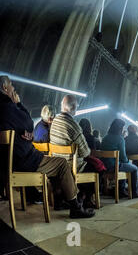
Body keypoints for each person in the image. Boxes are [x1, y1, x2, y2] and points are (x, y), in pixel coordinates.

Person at [0, 76, 94, 218]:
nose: (14, 88)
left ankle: (60, 199)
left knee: (54, 162)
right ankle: (75, 207)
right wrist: (18, 104)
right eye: (11, 85)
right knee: (61, 164)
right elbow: (28, 123)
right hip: (24, 160)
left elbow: (20, 128)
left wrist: (26, 134)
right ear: (5, 88)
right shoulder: (7, 105)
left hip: (9, 161)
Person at [50, 96, 96, 208]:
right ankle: (85, 200)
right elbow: (85, 152)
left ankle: (69, 197)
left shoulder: (54, 121)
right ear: (74, 107)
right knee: (96, 168)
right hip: (71, 166)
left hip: (56, 163)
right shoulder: (74, 125)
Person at [101, 119, 138, 199]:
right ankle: (134, 192)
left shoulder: (105, 138)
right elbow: (123, 157)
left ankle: (121, 191)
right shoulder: (120, 138)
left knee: (124, 166)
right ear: (120, 128)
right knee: (134, 168)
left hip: (104, 166)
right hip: (114, 166)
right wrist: (128, 162)